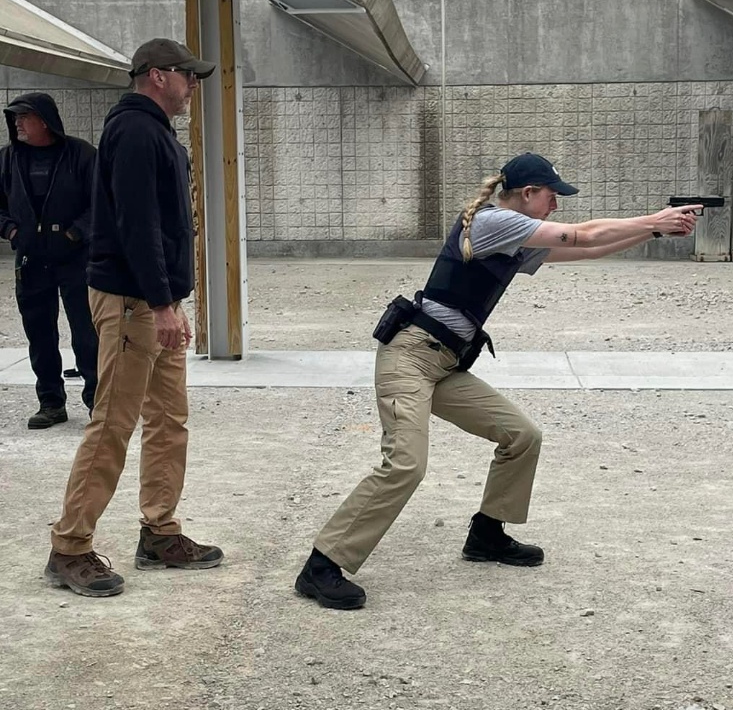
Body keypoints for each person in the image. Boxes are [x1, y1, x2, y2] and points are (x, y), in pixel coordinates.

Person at [295, 152, 700, 610]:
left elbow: (587, 248)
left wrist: (654, 230)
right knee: (406, 465)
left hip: (444, 364)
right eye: (551, 196)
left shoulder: (513, 236)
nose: (556, 206)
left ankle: (487, 535)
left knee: (521, 436)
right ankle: (322, 565)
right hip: (409, 358)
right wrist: (654, 217)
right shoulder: (492, 223)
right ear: (527, 194)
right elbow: (582, 233)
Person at [45, 38, 223, 598]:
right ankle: (69, 547)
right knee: (113, 424)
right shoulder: (135, 131)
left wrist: (171, 299)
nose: (194, 85)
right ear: (156, 75)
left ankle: (160, 532)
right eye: (187, 76)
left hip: (155, 300)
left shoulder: (154, 131)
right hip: (131, 302)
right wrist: (162, 303)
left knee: (170, 419)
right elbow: (137, 226)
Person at [0, 93, 99, 428]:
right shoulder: (7, 160)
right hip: (31, 260)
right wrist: (12, 230)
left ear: (44, 120)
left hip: (76, 260)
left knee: (87, 333)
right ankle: (51, 402)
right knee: (39, 334)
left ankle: (97, 402)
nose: (17, 123)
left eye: (23, 117)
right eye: (14, 118)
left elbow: (102, 202)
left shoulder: (81, 155)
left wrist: (76, 233)